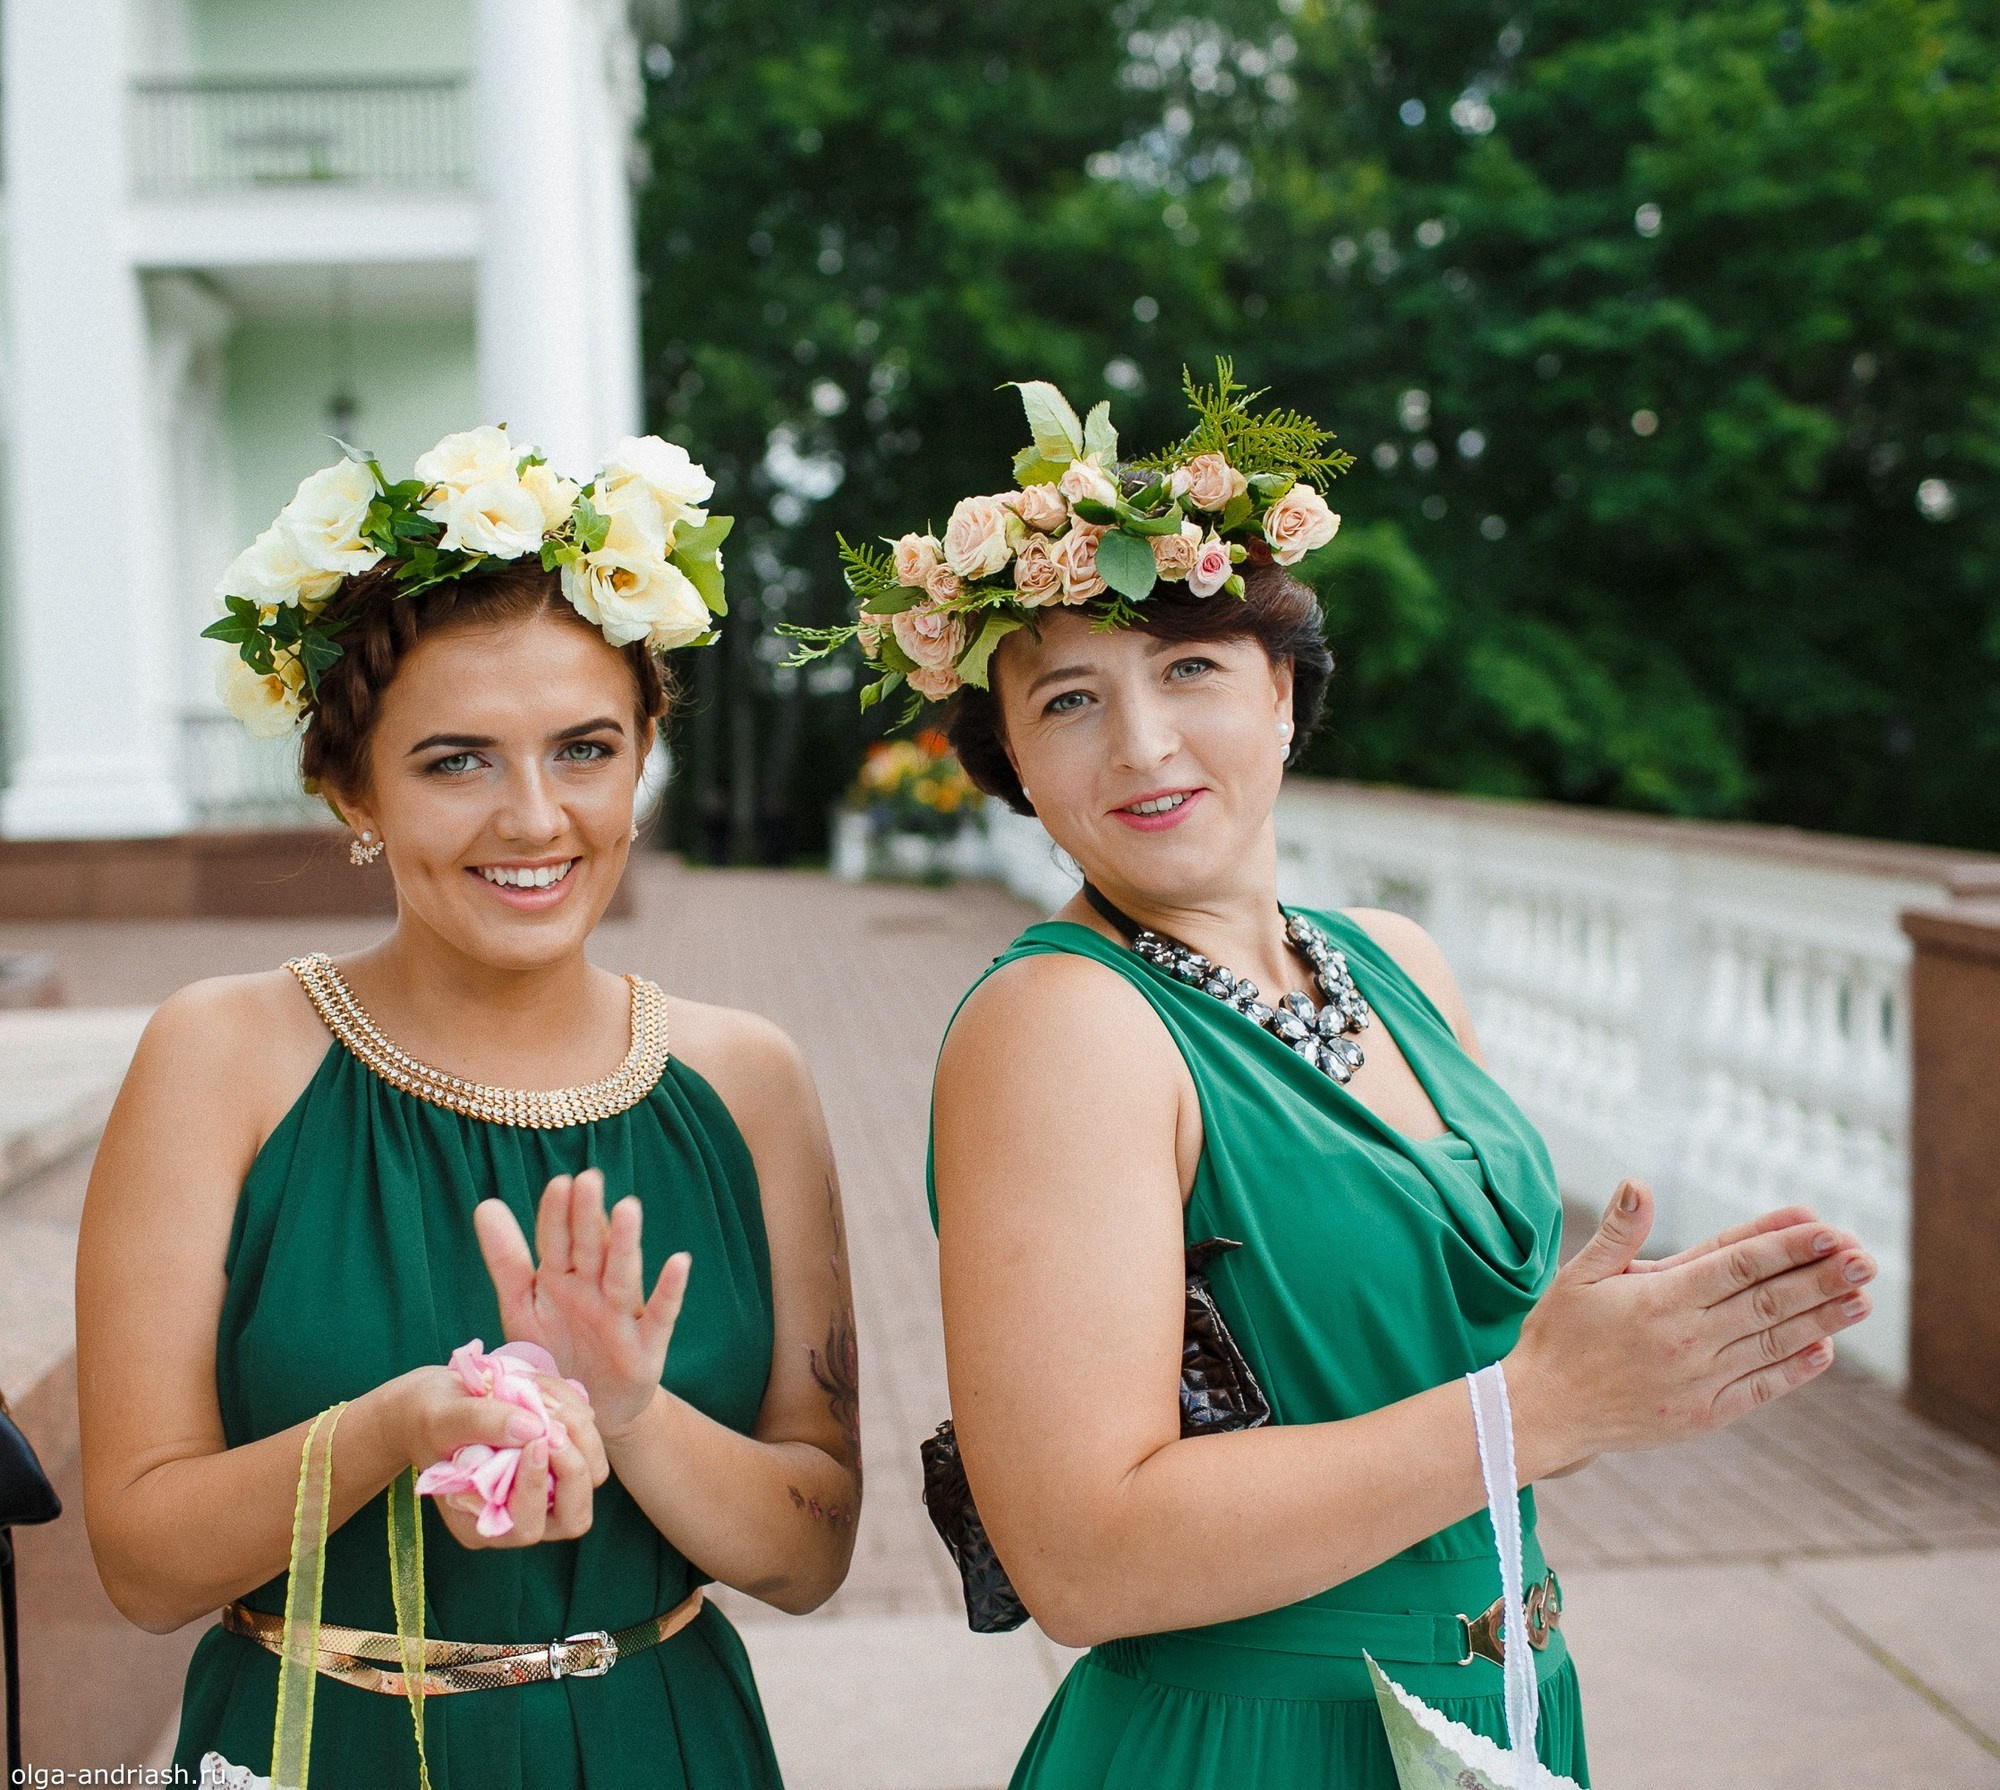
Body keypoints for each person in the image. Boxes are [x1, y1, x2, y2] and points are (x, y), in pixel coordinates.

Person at [799, 371, 1876, 1787]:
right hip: (1256, 1738)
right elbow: (1079, 1557)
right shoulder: (1063, 1026)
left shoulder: (1400, 966)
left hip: (1507, 1714)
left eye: (1189, 668)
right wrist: (1536, 1405)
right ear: (1015, 769)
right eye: (1070, 698)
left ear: (1286, 693)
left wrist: (1613, 1368)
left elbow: (1469, 1405)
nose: (1142, 744)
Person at [75, 429, 860, 1788]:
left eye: (585, 748)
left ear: (644, 755)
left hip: (659, 1744)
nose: (536, 817)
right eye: (456, 761)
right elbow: (141, 1561)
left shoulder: (749, 1080)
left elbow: (812, 1550)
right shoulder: (221, 1055)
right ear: (349, 785)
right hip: (324, 1745)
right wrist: (402, 1427)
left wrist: (632, 1412)